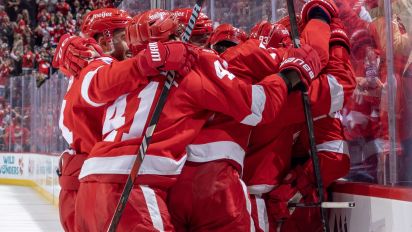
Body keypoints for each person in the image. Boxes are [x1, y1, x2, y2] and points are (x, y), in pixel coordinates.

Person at [72, 8, 322, 231]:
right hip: (134, 187)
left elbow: (89, 88)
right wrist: (289, 76)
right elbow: (258, 107)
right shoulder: (191, 68)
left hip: (88, 188)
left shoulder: (119, 69)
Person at [53, 8, 196, 232]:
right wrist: (151, 59)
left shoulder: (89, 63)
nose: (131, 44)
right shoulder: (98, 65)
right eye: (123, 37)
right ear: (104, 40)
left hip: (87, 177)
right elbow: (104, 82)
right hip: (93, 179)